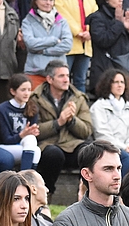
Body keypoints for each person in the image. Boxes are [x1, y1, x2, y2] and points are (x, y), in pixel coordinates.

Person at [30, 59, 93, 196]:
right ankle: (47, 193)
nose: (66, 80)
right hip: (48, 144)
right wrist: (58, 122)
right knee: (54, 154)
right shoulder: (35, 98)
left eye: (68, 76)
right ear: (49, 79)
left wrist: (71, 121)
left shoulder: (78, 98)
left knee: (89, 150)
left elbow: (87, 131)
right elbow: (34, 131)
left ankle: (85, 193)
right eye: (61, 76)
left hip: (72, 143)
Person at [89, 68, 129, 177]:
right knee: (124, 157)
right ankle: (117, 190)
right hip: (106, 148)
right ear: (108, 84)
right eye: (116, 82)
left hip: (126, 148)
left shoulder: (128, 107)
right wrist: (123, 147)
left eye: (122, 82)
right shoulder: (98, 106)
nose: (120, 85)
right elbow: (102, 134)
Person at [85, 0, 129, 96]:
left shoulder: (124, 16)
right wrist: (118, 23)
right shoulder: (97, 18)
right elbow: (103, 40)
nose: (121, 0)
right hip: (104, 71)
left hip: (124, 71)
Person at [22, 0, 73, 90]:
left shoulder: (62, 21)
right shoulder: (27, 21)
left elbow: (67, 45)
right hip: (35, 72)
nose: (48, 2)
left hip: (58, 74)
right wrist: (54, 40)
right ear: (36, 1)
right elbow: (31, 44)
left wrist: (44, 51)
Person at [0, 73, 41, 172]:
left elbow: (32, 136)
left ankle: (25, 177)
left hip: (26, 146)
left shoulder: (33, 107)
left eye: (29, 90)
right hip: (6, 146)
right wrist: (22, 135)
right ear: (13, 91)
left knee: (33, 143)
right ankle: (26, 177)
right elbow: (5, 139)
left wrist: (34, 132)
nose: (27, 93)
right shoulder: (2, 109)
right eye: (23, 90)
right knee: (34, 149)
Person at [53, 0, 96, 93]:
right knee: (62, 79)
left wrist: (91, 31)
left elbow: (95, 16)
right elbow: (61, 14)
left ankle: (80, 106)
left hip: (85, 46)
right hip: (67, 45)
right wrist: (78, 32)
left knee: (80, 80)